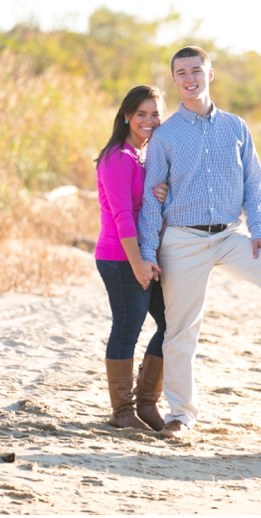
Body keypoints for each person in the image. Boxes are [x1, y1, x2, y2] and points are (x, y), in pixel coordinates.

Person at [138, 46, 261, 438]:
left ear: (209, 75)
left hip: (231, 235)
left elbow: (254, 183)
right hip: (182, 240)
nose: (189, 78)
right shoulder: (165, 136)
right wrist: (148, 253)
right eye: (181, 73)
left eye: (196, 70)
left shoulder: (236, 127)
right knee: (181, 330)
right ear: (174, 80)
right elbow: (151, 199)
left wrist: (260, 231)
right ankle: (181, 416)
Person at [94, 85, 170, 431]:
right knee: (127, 328)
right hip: (119, 256)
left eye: (155, 114)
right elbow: (123, 215)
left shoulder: (143, 156)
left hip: (143, 254)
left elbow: (146, 206)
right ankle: (122, 411)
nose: (149, 120)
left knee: (171, 323)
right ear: (126, 115)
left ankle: (147, 405)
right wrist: (138, 262)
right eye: (142, 113)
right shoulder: (117, 158)